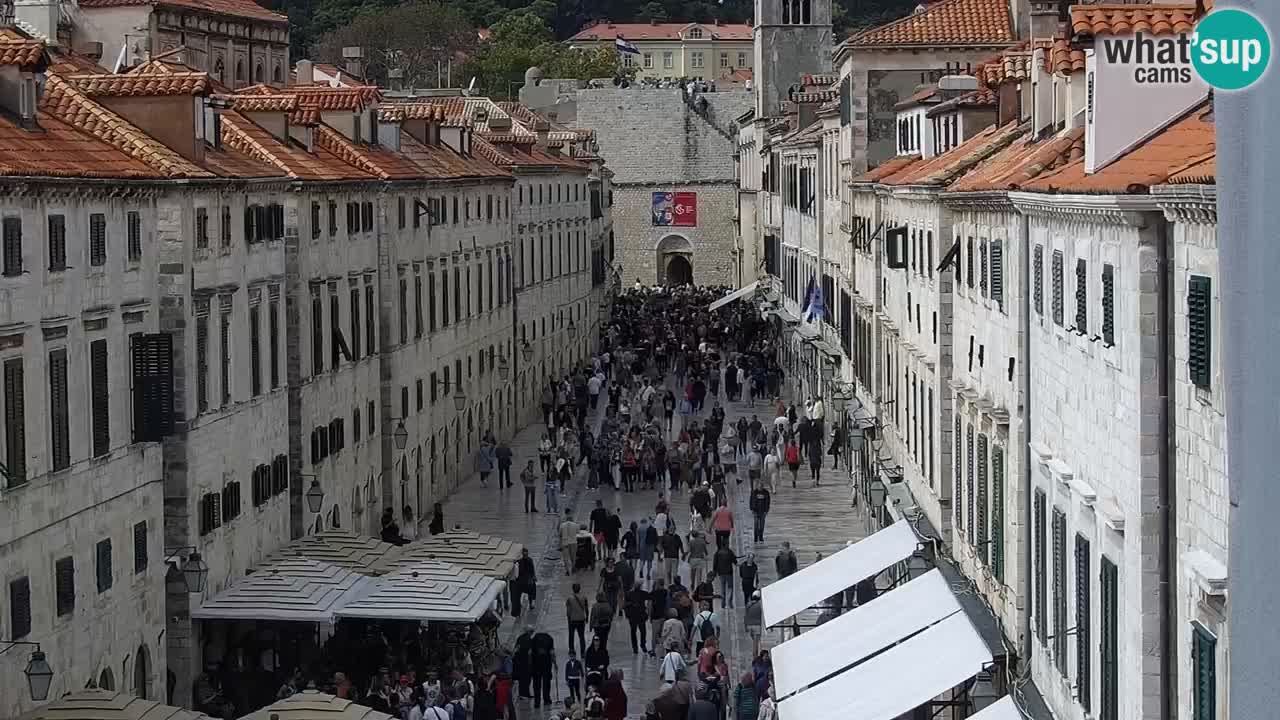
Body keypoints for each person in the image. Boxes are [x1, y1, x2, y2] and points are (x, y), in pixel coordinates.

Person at [531, 626, 556, 708]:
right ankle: (546, 700)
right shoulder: (549, 638)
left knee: (536, 684)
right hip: (546, 665)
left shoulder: (534, 639)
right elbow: (552, 652)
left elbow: (530, 652)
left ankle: (537, 702)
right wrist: (554, 663)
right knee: (546, 683)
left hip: (536, 665)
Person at [625, 580, 650, 654]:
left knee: (633, 632)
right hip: (641, 615)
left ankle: (635, 647)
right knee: (643, 631)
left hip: (632, 616)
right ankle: (643, 645)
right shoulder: (643, 593)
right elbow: (651, 597)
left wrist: (627, 614)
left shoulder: (629, 594)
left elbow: (625, 605)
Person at [566, 581, 590, 655]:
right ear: (580, 589)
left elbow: (568, 611)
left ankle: (571, 650)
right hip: (581, 619)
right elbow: (586, 609)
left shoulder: (569, 599)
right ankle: (582, 652)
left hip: (572, 620)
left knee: (571, 635)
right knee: (581, 636)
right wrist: (587, 618)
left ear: (573, 589)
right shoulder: (584, 597)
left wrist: (568, 619)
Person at [712, 544, 738, 609]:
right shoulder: (729, 552)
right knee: (730, 588)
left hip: (721, 573)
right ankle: (729, 602)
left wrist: (714, 572)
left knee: (723, 589)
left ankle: (723, 603)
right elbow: (734, 560)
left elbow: (715, 563)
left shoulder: (717, 553)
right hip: (729, 573)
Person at [513, 548, 536, 617]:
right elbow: (532, 571)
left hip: (520, 582)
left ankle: (518, 609)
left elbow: (516, 574)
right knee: (532, 590)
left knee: (517, 595)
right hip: (527, 581)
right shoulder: (530, 560)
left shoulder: (518, 562)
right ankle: (531, 602)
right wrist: (533, 577)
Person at [513, 627, 534, 699]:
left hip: (522, 662)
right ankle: (523, 694)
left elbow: (516, 649)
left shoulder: (521, 638)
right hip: (525, 662)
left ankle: (525, 693)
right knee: (525, 679)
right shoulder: (528, 640)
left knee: (524, 679)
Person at [561, 511, 582, 576]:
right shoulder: (575, 525)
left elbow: (559, 533)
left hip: (565, 543)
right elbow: (578, 532)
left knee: (566, 558)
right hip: (573, 542)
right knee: (573, 556)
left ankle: (567, 571)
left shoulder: (562, 525)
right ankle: (573, 568)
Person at [744, 590, 764, 657]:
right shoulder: (760, 605)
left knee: (754, 641)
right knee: (756, 642)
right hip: (757, 625)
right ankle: (755, 655)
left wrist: (745, 626)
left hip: (749, 626)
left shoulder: (748, 604)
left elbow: (745, 616)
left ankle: (755, 653)